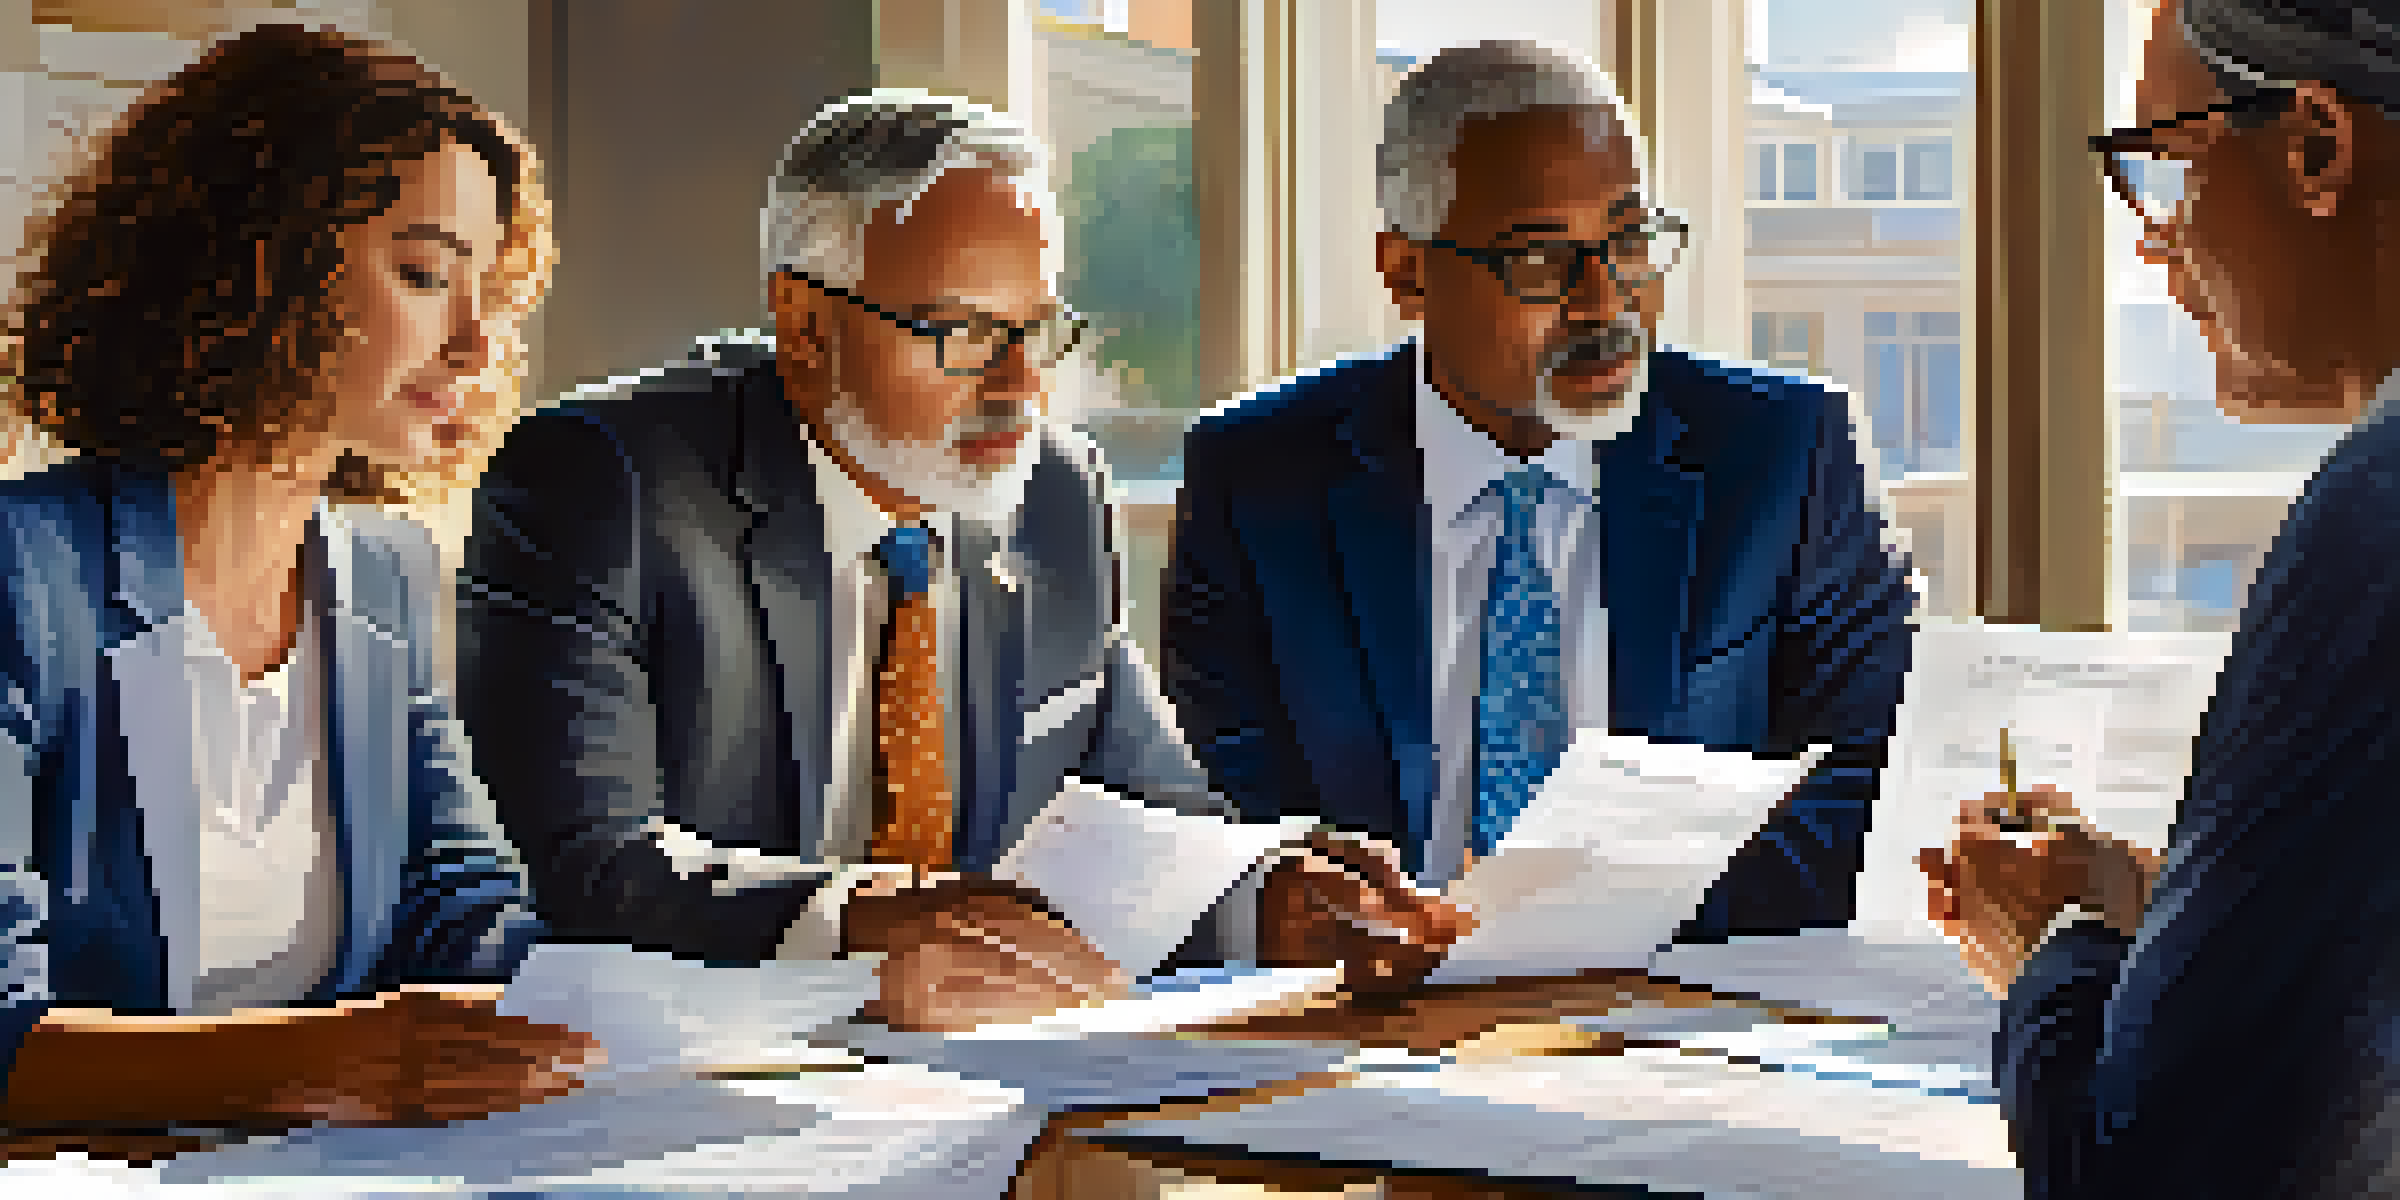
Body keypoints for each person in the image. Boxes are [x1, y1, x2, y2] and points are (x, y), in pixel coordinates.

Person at [459, 90, 1464, 1033]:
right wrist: (864, 922)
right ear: (806, 328)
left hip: (974, 1088)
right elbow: (585, 867)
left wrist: (1265, 897)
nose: (1023, 384)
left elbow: (1147, 815)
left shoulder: (1057, 493)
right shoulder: (607, 484)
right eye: (964, 333)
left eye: (1036, 329)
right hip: (698, 1085)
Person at [1162, 40, 1914, 939]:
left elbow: (1869, 789)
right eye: (1540, 262)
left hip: (1682, 1016)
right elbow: (1215, 814)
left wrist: (1616, 929)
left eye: (1628, 243)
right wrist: (1299, 910)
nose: (1604, 302)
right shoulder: (1255, 479)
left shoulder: (1785, 457)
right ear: (1405, 270)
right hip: (1369, 1027)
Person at [0, 25, 593, 1128]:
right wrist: (317, 1064)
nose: (475, 343)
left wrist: (665, 1011)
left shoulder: (383, 570)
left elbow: (464, 913)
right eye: (423, 274)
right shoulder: (25, 575)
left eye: (490, 293)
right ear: (253, 264)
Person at [1919, 1, 2400, 1194]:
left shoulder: (2376, 520)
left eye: (2172, 167)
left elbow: (2145, 1170)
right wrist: (2176, 915)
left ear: (2315, 148)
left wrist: (2048, 947)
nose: (2154, 242)